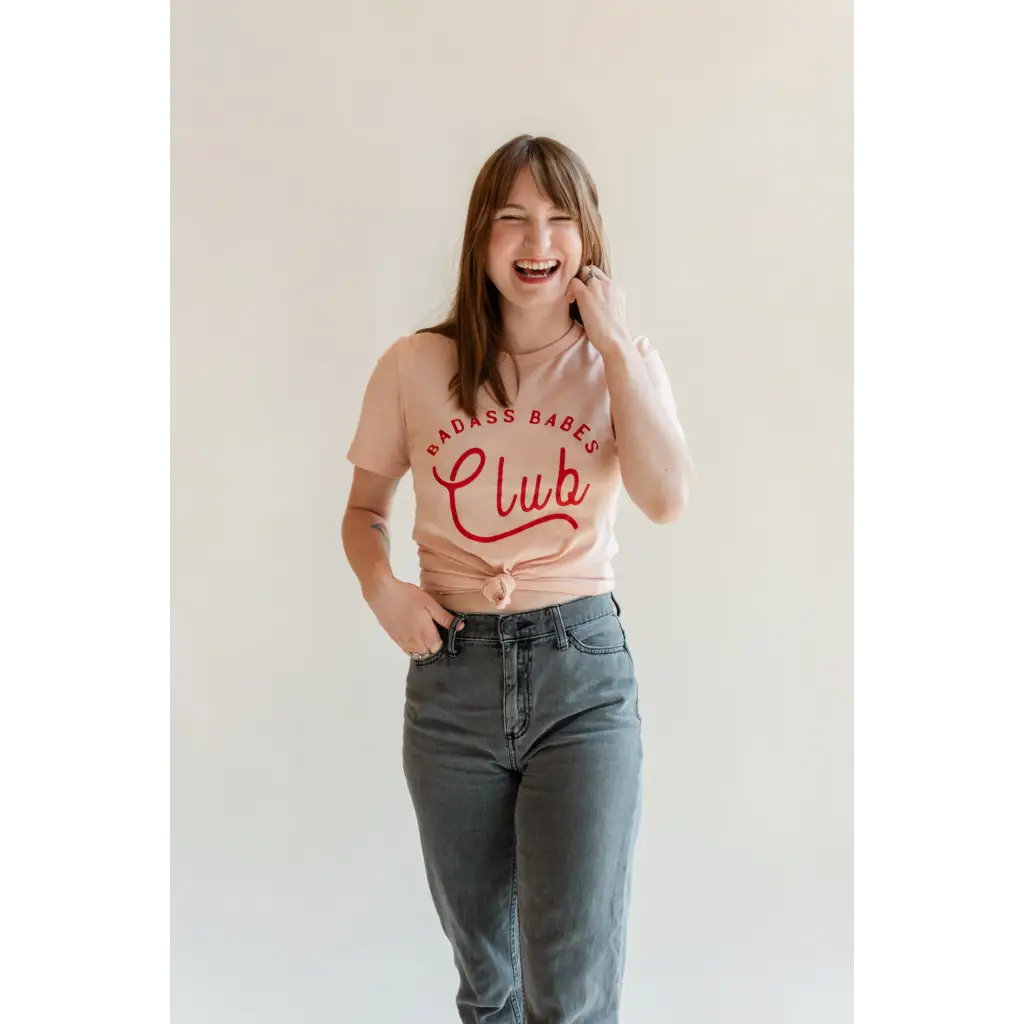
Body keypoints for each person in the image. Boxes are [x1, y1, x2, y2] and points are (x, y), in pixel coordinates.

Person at [342, 134, 697, 1023]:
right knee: (489, 982)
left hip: (581, 677)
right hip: (452, 678)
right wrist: (384, 587)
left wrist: (613, 346)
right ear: (480, 239)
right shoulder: (414, 366)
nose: (537, 242)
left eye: (559, 220)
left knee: (570, 987)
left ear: (587, 240)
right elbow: (363, 511)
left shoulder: (624, 364)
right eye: (513, 221)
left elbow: (666, 500)